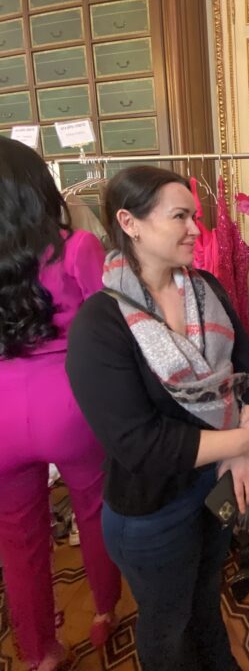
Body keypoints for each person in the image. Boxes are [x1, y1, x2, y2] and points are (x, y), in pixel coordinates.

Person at [66, 166, 249, 671]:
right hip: (152, 510)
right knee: (167, 627)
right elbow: (141, 445)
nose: (195, 230)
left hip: (215, 486)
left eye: (195, 217)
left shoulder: (206, 290)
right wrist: (243, 444)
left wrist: (245, 437)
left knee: (205, 602)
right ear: (129, 223)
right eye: (180, 216)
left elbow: (246, 369)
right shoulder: (100, 325)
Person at [0, 135, 121, 671]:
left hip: (2, 411)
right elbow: (111, 330)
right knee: (94, 510)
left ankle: (39, 653)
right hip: (69, 402)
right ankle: (104, 610)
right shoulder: (77, 248)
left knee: (17, 537)